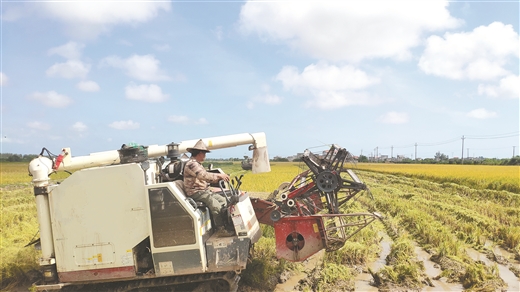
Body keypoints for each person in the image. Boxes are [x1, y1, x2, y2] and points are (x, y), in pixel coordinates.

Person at [183, 139, 235, 237]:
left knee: (224, 201)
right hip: (195, 192)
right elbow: (203, 176)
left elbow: (207, 179)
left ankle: (226, 225)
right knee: (215, 205)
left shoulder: (197, 164)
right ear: (200, 153)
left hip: (203, 191)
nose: (205, 156)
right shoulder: (192, 164)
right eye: (204, 153)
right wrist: (219, 176)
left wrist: (218, 179)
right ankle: (220, 229)